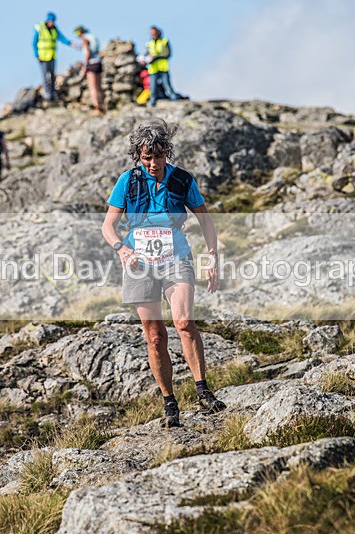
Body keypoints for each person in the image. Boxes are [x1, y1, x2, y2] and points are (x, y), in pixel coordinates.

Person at [101, 120, 225, 429]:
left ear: (166, 153)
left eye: (158, 156)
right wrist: (121, 249)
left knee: (184, 322)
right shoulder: (128, 181)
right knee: (155, 336)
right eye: (147, 158)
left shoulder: (182, 179)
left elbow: (206, 220)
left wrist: (212, 257)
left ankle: (203, 390)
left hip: (176, 257)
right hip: (139, 263)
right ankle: (170, 402)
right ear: (139, 157)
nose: (153, 163)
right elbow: (108, 226)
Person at [33, 12, 76, 102]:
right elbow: (34, 43)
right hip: (43, 57)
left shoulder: (54, 30)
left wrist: (70, 43)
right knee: (45, 76)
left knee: (52, 75)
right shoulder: (40, 29)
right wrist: (37, 55)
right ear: (48, 21)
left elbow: (62, 38)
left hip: (52, 56)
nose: (52, 23)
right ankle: (47, 93)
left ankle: (53, 92)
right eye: (51, 21)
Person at [145, 26, 181, 107]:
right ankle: (152, 104)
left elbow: (168, 54)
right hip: (153, 69)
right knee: (152, 88)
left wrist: (157, 57)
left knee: (167, 86)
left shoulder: (164, 41)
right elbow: (146, 54)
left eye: (154, 33)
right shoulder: (149, 43)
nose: (152, 35)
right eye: (151, 33)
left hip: (163, 68)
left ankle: (175, 100)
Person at [74, 25, 105, 115]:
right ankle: (102, 105)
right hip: (98, 63)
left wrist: (85, 66)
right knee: (99, 87)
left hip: (91, 64)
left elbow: (88, 53)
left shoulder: (85, 39)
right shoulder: (92, 37)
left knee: (92, 88)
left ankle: (97, 107)